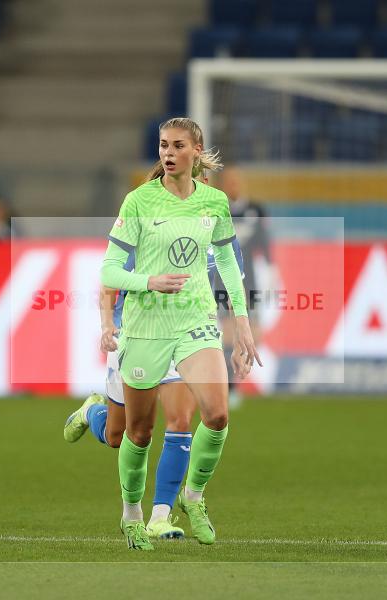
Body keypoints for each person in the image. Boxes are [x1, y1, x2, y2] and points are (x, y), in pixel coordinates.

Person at [98, 117, 261, 551]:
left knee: (218, 415)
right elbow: (109, 270)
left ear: (196, 151)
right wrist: (148, 281)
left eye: (177, 146)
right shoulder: (138, 202)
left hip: (196, 321)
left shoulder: (214, 202)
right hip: (147, 325)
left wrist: (241, 322)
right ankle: (132, 515)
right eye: (163, 145)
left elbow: (228, 263)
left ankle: (193, 497)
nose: (168, 153)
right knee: (136, 433)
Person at [63, 201, 244, 541]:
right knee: (124, 435)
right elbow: (109, 279)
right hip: (135, 330)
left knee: (180, 421)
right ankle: (92, 412)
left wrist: (240, 330)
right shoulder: (150, 222)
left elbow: (232, 282)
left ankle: (161, 516)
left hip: (187, 331)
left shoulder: (217, 223)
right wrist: (107, 325)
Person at [212, 167, 273, 403]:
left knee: (253, 334)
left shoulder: (256, 210)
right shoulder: (217, 210)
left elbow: (265, 246)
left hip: (251, 282)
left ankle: (235, 381)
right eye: (229, 181)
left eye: (237, 180)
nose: (234, 185)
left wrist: (272, 271)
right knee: (228, 334)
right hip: (222, 282)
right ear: (222, 184)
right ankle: (229, 388)